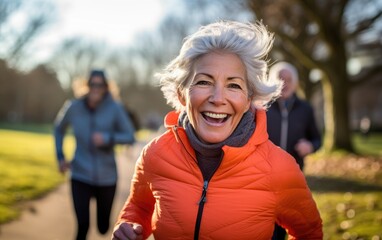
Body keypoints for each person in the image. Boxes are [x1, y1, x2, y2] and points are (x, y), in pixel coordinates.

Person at [112, 20, 322, 240]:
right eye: (204, 82)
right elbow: (139, 207)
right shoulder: (155, 154)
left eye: (233, 85)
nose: (218, 99)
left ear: (249, 99)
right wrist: (129, 225)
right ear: (182, 93)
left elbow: (310, 232)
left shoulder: (279, 167)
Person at [54, 69, 136, 240]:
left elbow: (130, 136)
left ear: (106, 87)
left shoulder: (115, 108)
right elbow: (59, 128)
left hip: (107, 178)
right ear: (86, 85)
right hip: (79, 174)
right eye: (93, 84)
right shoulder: (74, 107)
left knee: (103, 227)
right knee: (82, 225)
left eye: (101, 85)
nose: (96, 88)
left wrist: (107, 138)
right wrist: (61, 157)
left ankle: (103, 223)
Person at [266, 62, 322, 240]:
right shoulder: (261, 107)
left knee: (288, 221)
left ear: (295, 83)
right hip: (264, 173)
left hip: (294, 175)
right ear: (272, 82)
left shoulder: (305, 109)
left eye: (289, 79)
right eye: (280, 79)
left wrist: (310, 146)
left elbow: (317, 138)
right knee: (266, 223)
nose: (285, 83)